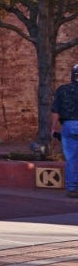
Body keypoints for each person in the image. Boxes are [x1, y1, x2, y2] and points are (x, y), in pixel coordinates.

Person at [50, 63, 78, 198]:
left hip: (69, 125)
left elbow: (55, 111)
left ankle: (72, 189)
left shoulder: (62, 90)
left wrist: (53, 128)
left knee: (71, 159)